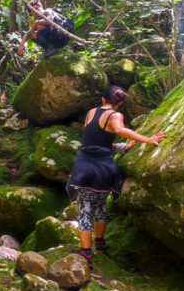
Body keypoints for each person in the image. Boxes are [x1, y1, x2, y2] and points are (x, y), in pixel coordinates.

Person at [66, 85, 167, 268]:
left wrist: (123, 147)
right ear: (119, 103)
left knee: (85, 210)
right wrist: (148, 139)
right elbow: (119, 131)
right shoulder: (115, 116)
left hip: (85, 165)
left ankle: (86, 254)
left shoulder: (91, 113)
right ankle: (100, 245)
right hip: (104, 168)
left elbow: (94, 140)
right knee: (101, 207)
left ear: (103, 100)